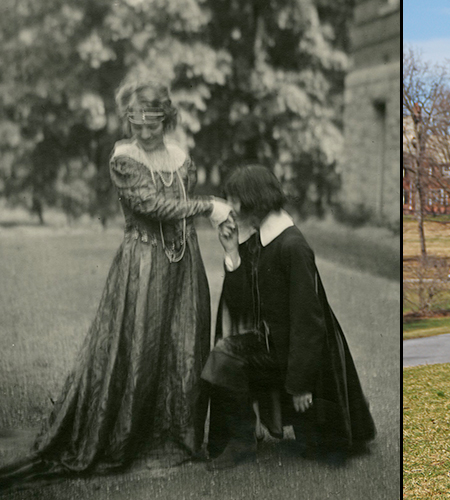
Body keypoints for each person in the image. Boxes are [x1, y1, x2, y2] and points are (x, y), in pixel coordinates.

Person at [0, 79, 231, 487]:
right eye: (135, 123)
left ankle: (178, 435)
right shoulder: (124, 158)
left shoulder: (180, 157)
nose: (142, 131)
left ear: (167, 119)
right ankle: (126, 437)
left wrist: (207, 215)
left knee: (184, 347)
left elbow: (177, 205)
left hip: (183, 265)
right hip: (142, 265)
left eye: (152, 124)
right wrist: (209, 205)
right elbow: (154, 205)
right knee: (141, 346)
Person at [200, 165, 376, 470]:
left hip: (307, 357)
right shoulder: (259, 240)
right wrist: (231, 252)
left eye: (235, 201)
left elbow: (308, 323)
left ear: (254, 201)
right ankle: (240, 441)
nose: (231, 209)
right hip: (274, 345)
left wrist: (300, 384)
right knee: (222, 357)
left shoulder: (292, 245)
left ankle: (272, 428)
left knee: (320, 448)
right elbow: (243, 305)